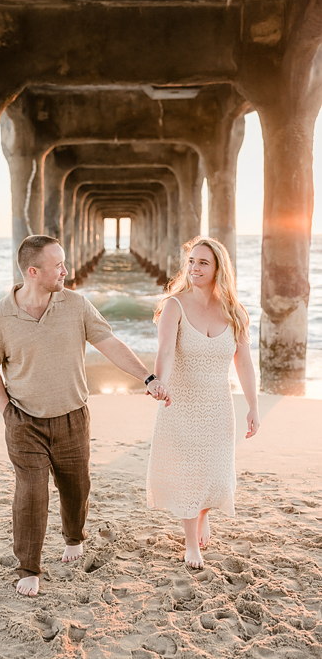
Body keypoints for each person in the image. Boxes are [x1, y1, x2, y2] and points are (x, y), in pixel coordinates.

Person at [0, 234, 168, 597]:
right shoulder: (0, 316)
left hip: (72, 418)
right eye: (58, 265)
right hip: (25, 422)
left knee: (76, 487)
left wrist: (148, 377)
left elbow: (110, 344)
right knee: (31, 494)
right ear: (33, 272)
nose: (66, 270)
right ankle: (28, 568)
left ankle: (73, 537)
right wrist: (7, 412)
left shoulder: (77, 305)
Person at [146, 237, 259, 569]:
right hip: (180, 405)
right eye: (191, 261)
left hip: (218, 407)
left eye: (203, 263)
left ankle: (203, 513)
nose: (194, 268)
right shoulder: (174, 306)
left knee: (215, 474)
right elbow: (166, 351)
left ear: (218, 269)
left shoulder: (234, 312)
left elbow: (244, 363)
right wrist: (160, 382)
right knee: (188, 474)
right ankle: (191, 544)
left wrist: (253, 406)